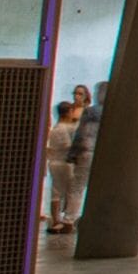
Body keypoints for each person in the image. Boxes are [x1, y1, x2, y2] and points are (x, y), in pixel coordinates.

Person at [42, 90, 89, 233]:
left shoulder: (55, 128)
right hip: (65, 163)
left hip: (53, 162)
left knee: (56, 192)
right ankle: (67, 219)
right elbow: (70, 145)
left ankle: (56, 220)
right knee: (71, 191)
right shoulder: (66, 129)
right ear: (68, 112)